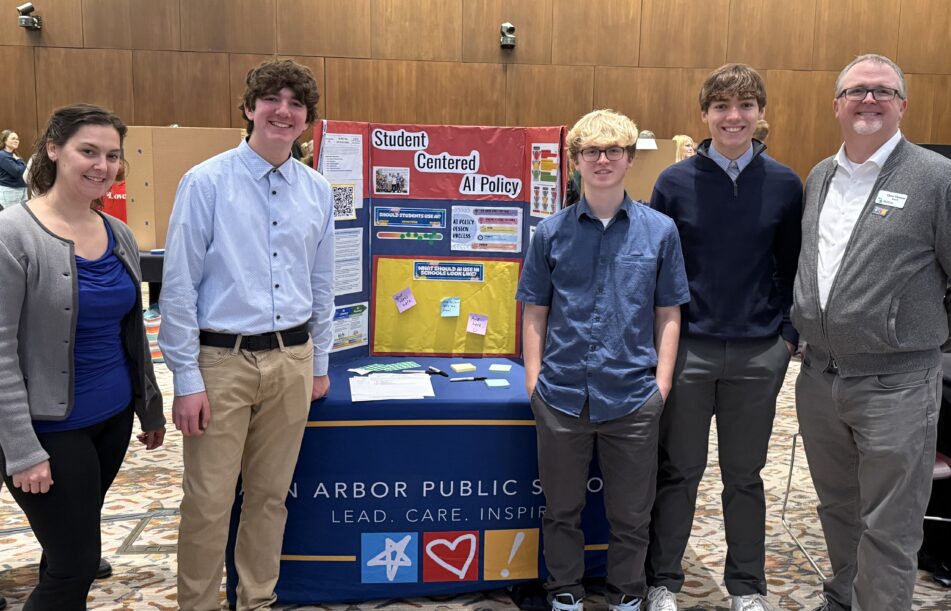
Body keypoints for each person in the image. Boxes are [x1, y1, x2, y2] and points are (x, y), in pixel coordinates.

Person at [158, 59, 335, 610]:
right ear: (249, 109)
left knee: (269, 498)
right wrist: (185, 378)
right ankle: (198, 605)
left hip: (292, 359)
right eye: (271, 100)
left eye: (296, 104)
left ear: (306, 120)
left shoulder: (318, 191)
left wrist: (321, 363)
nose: (283, 111)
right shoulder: (205, 182)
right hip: (221, 363)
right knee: (208, 501)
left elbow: (323, 283)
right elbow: (180, 287)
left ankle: (257, 600)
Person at [792, 53, 951, 611]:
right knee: (837, 507)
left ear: (903, 105)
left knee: (890, 523)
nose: (869, 100)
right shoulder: (819, 176)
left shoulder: (937, 178)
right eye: (857, 90)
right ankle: (843, 598)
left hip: (897, 384)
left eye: (883, 91)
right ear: (836, 105)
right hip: (818, 379)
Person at [517, 108, 690, 611]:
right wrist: (534, 382)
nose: (603, 160)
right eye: (592, 151)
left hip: (634, 399)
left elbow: (668, 313)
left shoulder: (661, 232)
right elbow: (535, 310)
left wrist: (661, 385)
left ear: (630, 159)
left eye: (614, 151)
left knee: (632, 516)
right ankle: (565, 593)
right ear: (575, 161)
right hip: (562, 394)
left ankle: (626, 597)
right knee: (561, 511)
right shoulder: (550, 233)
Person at [646, 64, 803, 611]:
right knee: (679, 470)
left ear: (760, 113)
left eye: (745, 106)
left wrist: (785, 338)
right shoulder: (673, 182)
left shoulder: (785, 183)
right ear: (705, 114)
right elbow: (656, 271)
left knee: (745, 476)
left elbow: (792, 268)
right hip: (689, 347)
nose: (733, 117)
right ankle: (662, 580)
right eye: (721, 106)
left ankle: (747, 587)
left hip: (760, 353)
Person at [0, 103, 166, 610]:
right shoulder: (13, 234)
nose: (103, 165)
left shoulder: (117, 232)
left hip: (110, 421)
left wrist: (148, 405)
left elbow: (132, 331)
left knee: (65, 544)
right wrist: (22, 450)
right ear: (53, 149)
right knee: (74, 567)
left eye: (112, 155)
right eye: (88, 151)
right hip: (50, 430)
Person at [0, 129, 28, 209]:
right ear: (5, 141)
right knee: (12, 219)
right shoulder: (2, 155)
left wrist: (18, 161)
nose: (16, 141)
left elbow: (25, 170)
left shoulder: (14, 155)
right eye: (13, 138)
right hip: (10, 191)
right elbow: (18, 172)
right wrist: (19, 160)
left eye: (17, 139)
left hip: (20, 190)